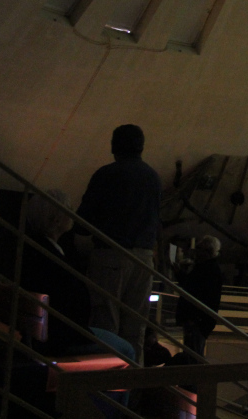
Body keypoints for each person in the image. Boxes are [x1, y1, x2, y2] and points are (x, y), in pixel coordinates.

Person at [76, 124, 162, 363]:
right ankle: (132, 386)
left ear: (115, 145)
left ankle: (106, 387)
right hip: (143, 257)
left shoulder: (107, 174)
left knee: (105, 322)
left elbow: (84, 219)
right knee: (135, 327)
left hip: (111, 254)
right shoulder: (153, 177)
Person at [20, 190, 135, 360]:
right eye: (68, 209)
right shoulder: (50, 257)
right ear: (56, 219)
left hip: (45, 331)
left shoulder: (36, 249)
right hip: (61, 337)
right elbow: (68, 302)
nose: (73, 214)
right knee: (127, 350)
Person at [175, 236, 223, 357]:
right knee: (193, 351)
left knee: (192, 353)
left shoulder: (208, 270)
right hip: (198, 319)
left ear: (207, 251)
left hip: (197, 319)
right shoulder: (208, 268)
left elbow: (196, 291)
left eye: (199, 249)